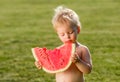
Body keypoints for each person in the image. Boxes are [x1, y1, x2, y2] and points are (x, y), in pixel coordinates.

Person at [35, 6, 92, 82]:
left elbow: (87, 70)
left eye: (70, 32)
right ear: (58, 34)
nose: (67, 36)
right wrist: (43, 63)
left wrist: (78, 61)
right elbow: (55, 69)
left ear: (78, 30)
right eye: (62, 34)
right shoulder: (58, 50)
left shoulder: (82, 49)